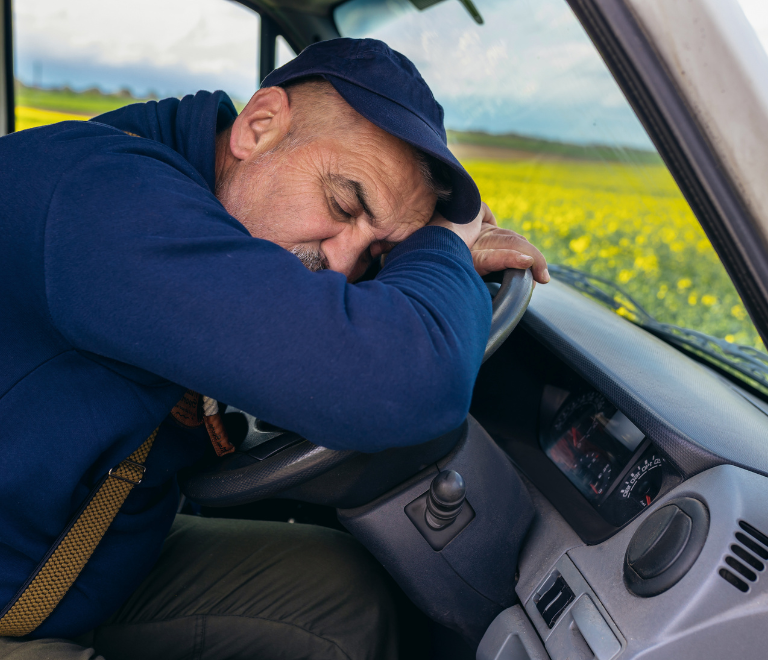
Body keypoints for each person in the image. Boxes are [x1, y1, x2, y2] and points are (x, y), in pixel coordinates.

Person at [0, 38, 548, 659]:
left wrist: (410, 255)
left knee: (345, 599)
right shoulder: (103, 199)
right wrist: (444, 244)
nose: (342, 265)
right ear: (259, 127)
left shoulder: (200, 204)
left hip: (83, 563)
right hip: (19, 600)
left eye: (375, 254)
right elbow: (407, 381)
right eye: (344, 204)